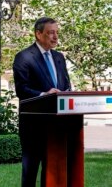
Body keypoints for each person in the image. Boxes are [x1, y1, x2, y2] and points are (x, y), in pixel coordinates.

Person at [12, 17, 72, 187]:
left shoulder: (59, 57)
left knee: (53, 169)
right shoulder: (23, 57)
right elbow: (21, 90)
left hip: (58, 124)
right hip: (33, 124)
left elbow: (65, 84)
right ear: (38, 34)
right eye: (50, 33)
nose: (55, 37)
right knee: (30, 171)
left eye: (57, 33)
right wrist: (44, 94)